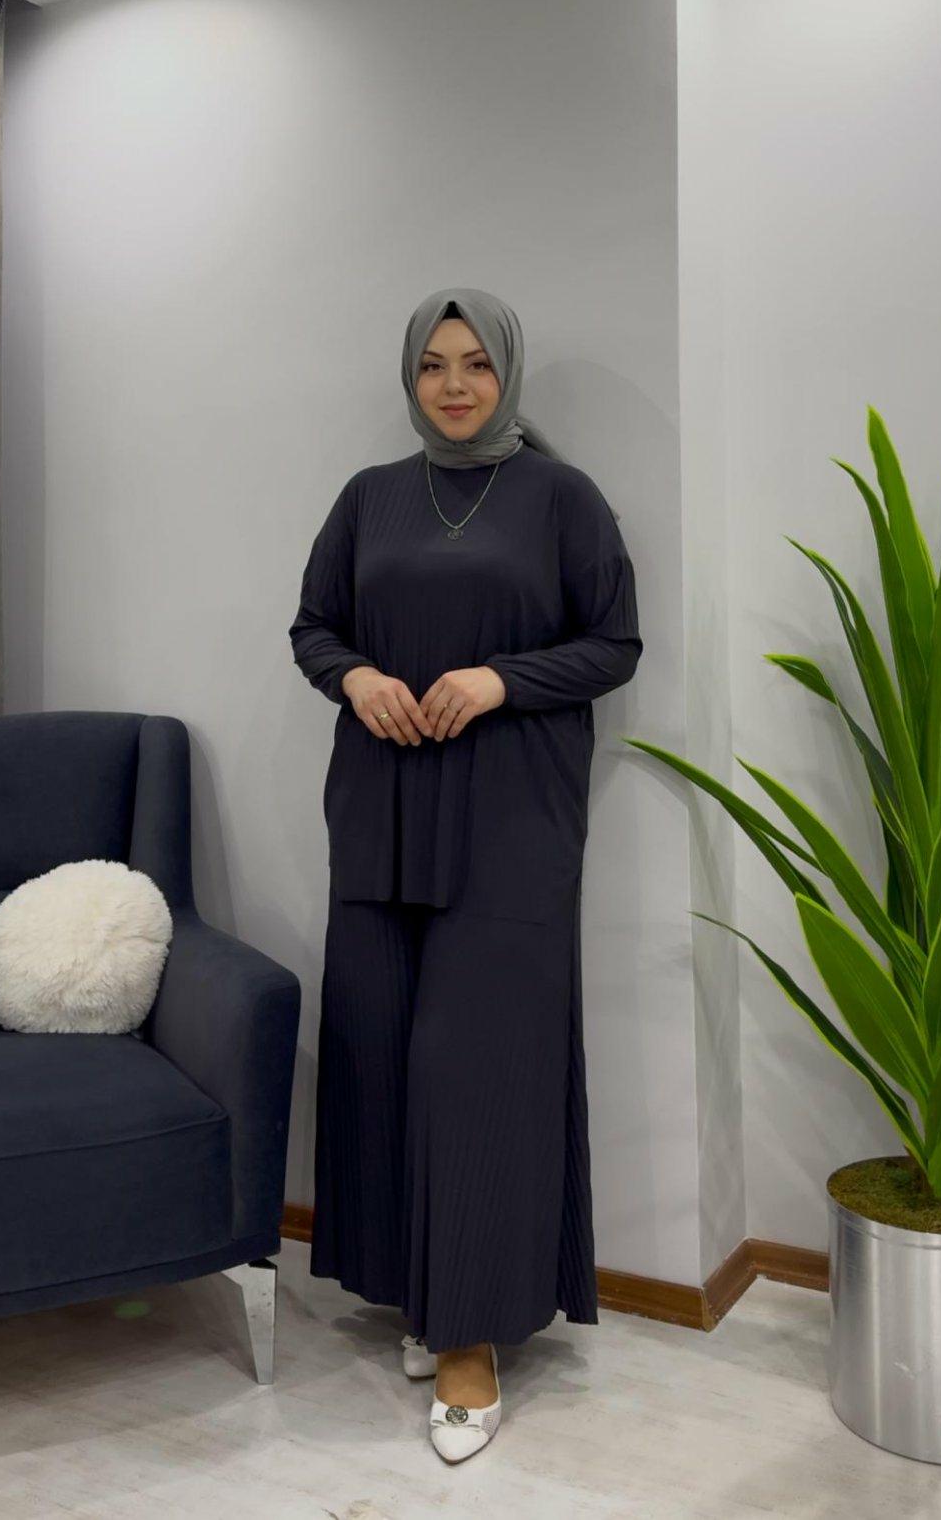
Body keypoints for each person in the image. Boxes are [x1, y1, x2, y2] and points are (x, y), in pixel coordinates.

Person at [288, 286, 642, 1462]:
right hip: (381, 807)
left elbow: (614, 643)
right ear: (410, 376)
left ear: (507, 374)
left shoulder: (561, 497)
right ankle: (421, 1294)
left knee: (478, 1068)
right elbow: (313, 628)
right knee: (383, 1048)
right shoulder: (368, 497)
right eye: (434, 363)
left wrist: (500, 679)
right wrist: (354, 678)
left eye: (476, 363)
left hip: (510, 817)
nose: (453, 384)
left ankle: (471, 1340)